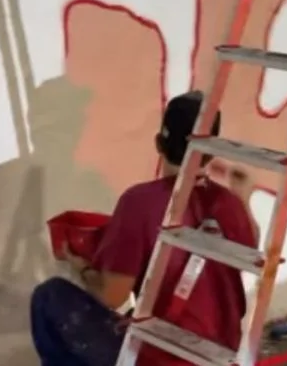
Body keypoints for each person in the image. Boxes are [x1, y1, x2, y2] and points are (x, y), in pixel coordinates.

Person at [29, 91, 258, 366]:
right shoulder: (228, 202)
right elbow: (250, 247)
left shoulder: (139, 203)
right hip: (220, 355)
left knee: (49, 297)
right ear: (211, 153)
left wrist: (82, 267)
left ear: (158, 143)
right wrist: (243, 197)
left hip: (161, 359)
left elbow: (112, 297)